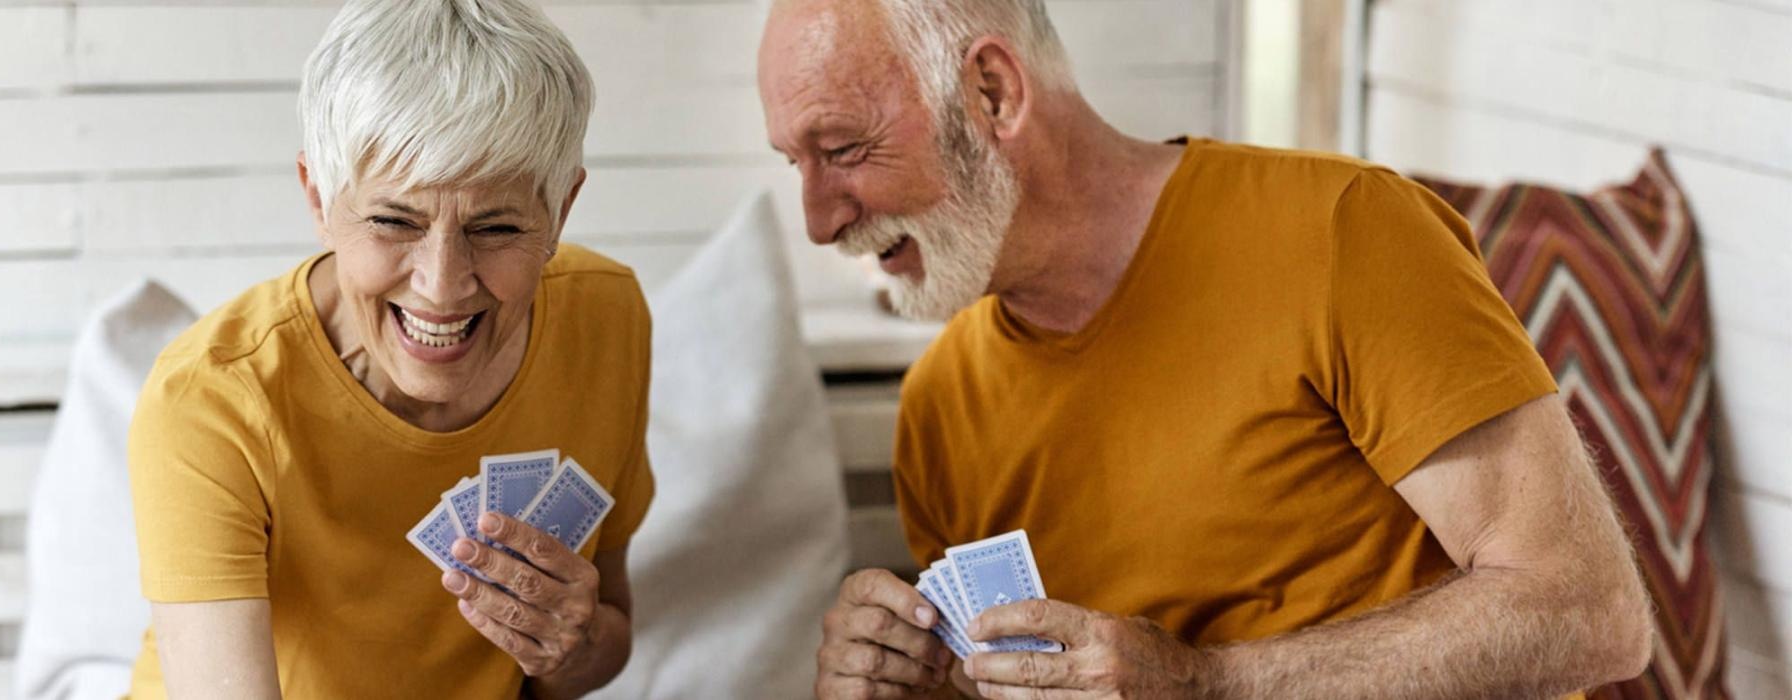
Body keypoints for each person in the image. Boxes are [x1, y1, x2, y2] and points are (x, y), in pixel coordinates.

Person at [756, 1, 1654, 697]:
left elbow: (1587, 609)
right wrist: (898, 679)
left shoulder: (1345, 233)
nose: (819, 219)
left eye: (842, 149)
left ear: (992, 92)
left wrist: (1210, 684)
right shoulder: (942, 404)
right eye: (796, 164)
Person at [124, 1, 654, 697]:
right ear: (319, 200)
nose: (442, 284)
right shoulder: (213, 399)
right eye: (393, 220)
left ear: (560, 211)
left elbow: (600, 649)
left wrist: (569, 645)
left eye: (494, 227)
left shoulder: (606, 319)